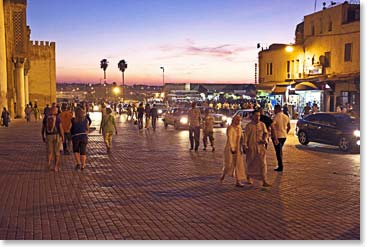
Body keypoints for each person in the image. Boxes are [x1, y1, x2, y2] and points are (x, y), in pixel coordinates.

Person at [243, 110, 270, 187]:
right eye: (256, 116)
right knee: (250, 163)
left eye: (259, 116)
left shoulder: (262, 125)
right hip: (251, 147)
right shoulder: (249, 126)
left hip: (261, 147)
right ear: (253, 116)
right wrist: (245, 145)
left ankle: (264, 180)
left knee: (262, 163)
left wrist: (265, 139)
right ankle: (249, 176)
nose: (257, 117)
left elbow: (266, 133)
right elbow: (246, 136)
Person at [220, 115, 247, 187]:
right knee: (229, 164)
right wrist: (232, 148)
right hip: (230, 149)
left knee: (238, 164)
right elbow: (230, 138)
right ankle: (223, 175)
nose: (238, 121)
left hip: (238, 149)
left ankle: (238, 181)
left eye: (239, 120)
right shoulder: (230, 128)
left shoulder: (239, 128)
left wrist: (243, 145)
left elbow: (242, 137)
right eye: (237, 120)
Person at [41, 106, 64, 172]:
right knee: (57, 152)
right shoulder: (57, 118)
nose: (57, 111)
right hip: (56, 135)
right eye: (56, 111)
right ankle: (55, 167)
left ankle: (48, 165)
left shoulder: (46, 118)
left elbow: (43, 128)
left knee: (49, 152)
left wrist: (43, 136)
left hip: (48, 136)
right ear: (55, 111)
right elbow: (61, 128)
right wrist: (62, 136)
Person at [272, 104, 291, 172]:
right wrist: (286, 132)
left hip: (278, 136)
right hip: (283, 136)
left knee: (278, 152)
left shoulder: (276, 116)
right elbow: (289, 126)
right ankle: (280, 165)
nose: (274, 111)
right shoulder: (286, 116)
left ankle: (280, 166)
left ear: (277, 109)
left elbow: (272, 125)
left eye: (274, 109)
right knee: (279, 151)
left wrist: (274, 136)